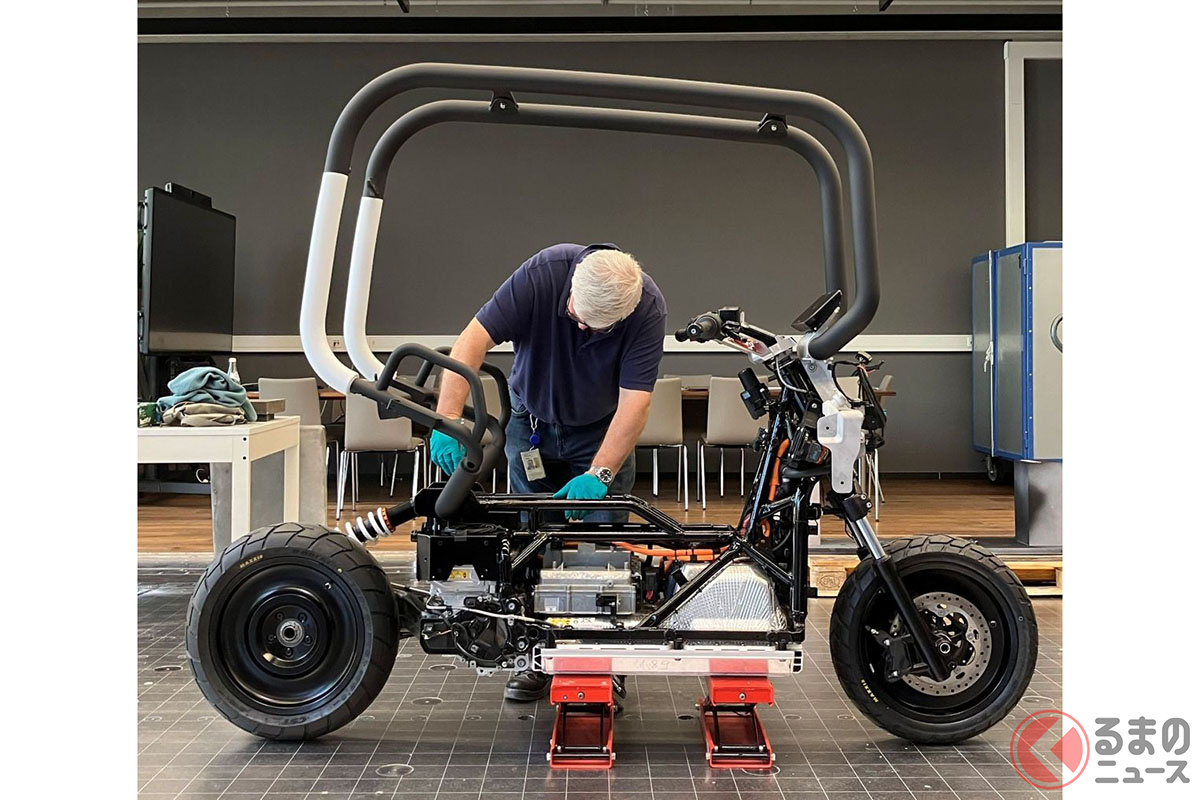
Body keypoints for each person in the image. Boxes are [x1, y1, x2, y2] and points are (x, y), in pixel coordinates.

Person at [429, 242, 667, 701]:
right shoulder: (542, 275)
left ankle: (602, 658)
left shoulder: (647, 308)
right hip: (531, 423)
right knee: (530, 539)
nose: (581, 329)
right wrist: (448, 420)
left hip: (600, 430)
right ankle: (536, 656)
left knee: (603, 546)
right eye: (577, 317)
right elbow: (472, 342)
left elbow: (636, 402)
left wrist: (600, 474)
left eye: (594, 328)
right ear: (572, 288)